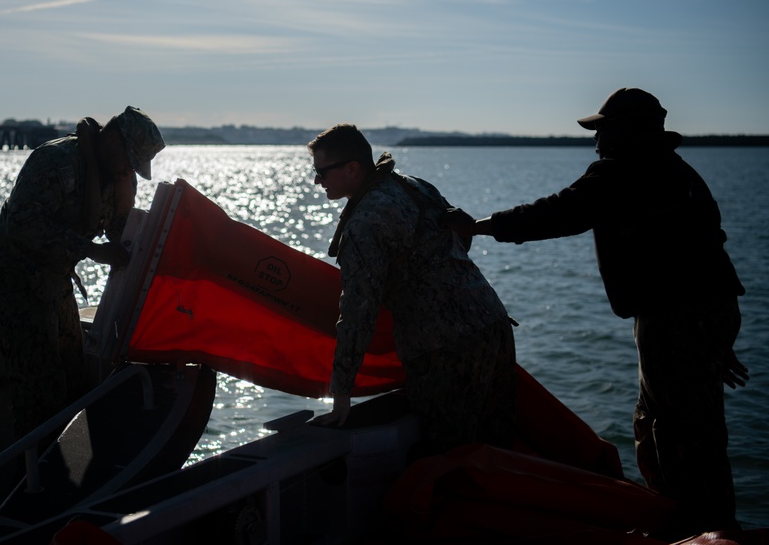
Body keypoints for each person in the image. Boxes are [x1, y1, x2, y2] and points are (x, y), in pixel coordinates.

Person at [451, 88, 748, 536]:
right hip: (705, 311)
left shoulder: (623, 172)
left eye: (602, 129)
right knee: (670, 424)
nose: (595, 140)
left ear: (626, 130)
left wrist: (479, 226)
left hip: (674, 316)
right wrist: (718, 335)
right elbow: (711, 242)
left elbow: (559, 212)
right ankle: (683, 520)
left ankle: (699, 530)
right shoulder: (679, 171)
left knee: (679, 433)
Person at [308, 124, 517, 456]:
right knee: (499, 451)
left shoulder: (364, 224)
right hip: (493, 327)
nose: (317, 181)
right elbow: (462, 233)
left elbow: (357, 314)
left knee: (450, 460)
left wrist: (341, 395)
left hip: (445, 352)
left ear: (351, 169)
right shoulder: (412, 185)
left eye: (321, 172)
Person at [0, 106, 165, 439]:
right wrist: (90, 251)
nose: (127, 170)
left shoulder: (118, 176)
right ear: (113, 139)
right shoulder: (54, 161)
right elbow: (21, 224)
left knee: (75, 373)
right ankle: (32, 473)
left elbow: (118, 231)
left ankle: (71, 463)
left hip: (52, 279)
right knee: (39, 381)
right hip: (10, 277)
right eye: (127, 160)